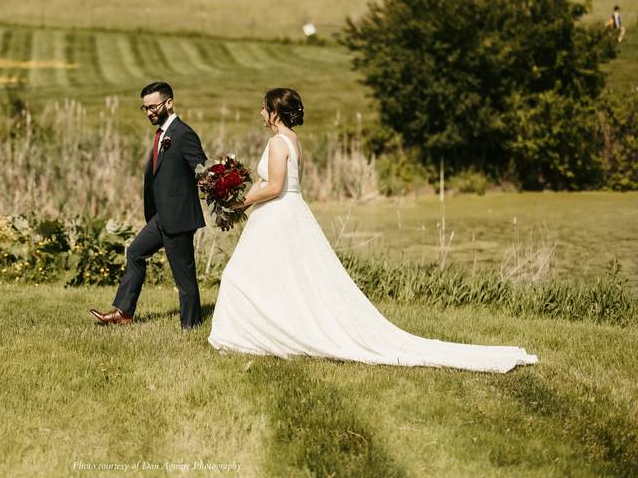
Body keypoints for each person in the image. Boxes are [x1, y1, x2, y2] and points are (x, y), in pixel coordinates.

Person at [207, 87, 538, 373]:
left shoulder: (279, 143)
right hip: (290, 214)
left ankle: (243, 334)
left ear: (275, 112)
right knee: (283, 278)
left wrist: (238, 202)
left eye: (265, 107)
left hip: (278, 215)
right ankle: (267, 328)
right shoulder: (293, 141)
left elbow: (276, 186)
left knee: (240, 275)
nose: (260, 113)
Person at [90, 82, 208, 329]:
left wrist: (212, 183)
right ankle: (123, 313)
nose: (149, 112)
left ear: (169, 103)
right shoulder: (162, 134)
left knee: (184, 279)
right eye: (144, 108)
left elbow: (201, 169)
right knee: (135, 252)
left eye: (153, 107)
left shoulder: (183, 134)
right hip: (160, 217)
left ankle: (191, 326)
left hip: (178, 218)